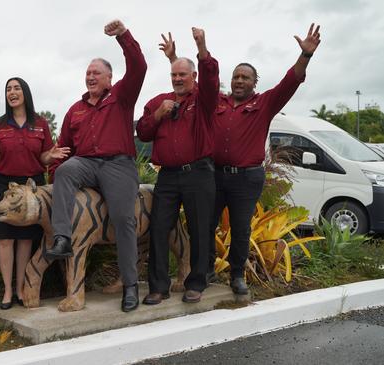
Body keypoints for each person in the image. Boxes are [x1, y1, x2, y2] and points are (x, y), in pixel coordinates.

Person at [207, 24, 321, 294]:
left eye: (245, 77)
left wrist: (305, 56)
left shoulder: (265, 103)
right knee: (206, 224)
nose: (239, 81)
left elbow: (290, 82)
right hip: (215, 174)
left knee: (241, 228)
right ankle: (206, 270)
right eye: (236, 77)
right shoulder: (217, 104)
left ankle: (237, 275)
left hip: (247, 177)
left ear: (254, 83)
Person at [45, 19, 147, 312]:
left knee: (123, 218)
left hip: (118, 164)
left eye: (96, 73)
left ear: (109, 79)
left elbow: (139, 66)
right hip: (86, 163)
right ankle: (62, 237)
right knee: (66, 169)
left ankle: (130, 285)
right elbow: (63, 149)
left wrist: (123, 36)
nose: (90, 76)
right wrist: (54, 173)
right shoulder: (74, 110)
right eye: (88, 72)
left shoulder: (122, 97)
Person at [0, 77, 69, 310]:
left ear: (25, 93)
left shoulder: (40, 123)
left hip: (31, 187)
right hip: (5, 186)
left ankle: (22, 289)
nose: (12, 92)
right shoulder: (0, 126)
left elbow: (42, 158)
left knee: (25, 240)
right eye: (8, 89)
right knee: (5, 239)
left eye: (16, 88)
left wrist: (50, 155)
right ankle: (7, 291)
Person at [136, 27, 219, 304]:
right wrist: (158, 115)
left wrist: (202, 46)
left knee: (199, 228)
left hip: (198, 173)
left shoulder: (204, 100)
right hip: (168, 176)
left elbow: (210, 79)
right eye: (174, 75)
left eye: (183, 74)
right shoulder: (159, 102)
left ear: (193, 77)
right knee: (159, 228)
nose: (178, 79)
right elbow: (144, 133)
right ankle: (158, 287)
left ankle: (195, 282)